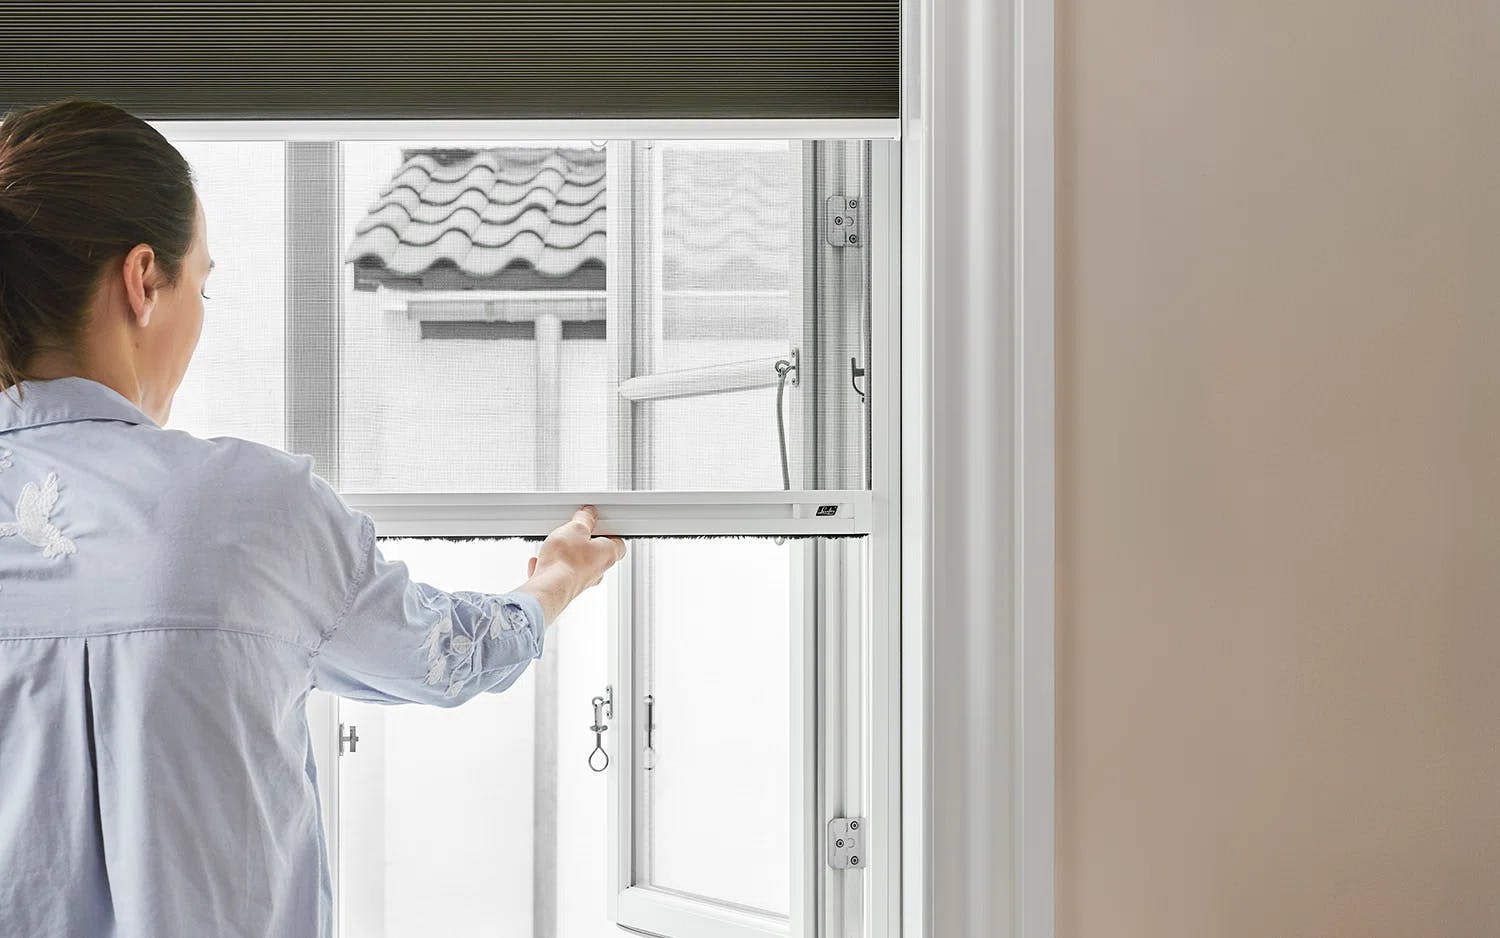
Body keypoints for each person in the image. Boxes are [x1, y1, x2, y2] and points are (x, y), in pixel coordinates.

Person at [0, 99, 625, 937]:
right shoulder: (245, 510)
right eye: (203, 285)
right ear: (143, 280)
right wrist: (553, 584)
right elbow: (445, 655)